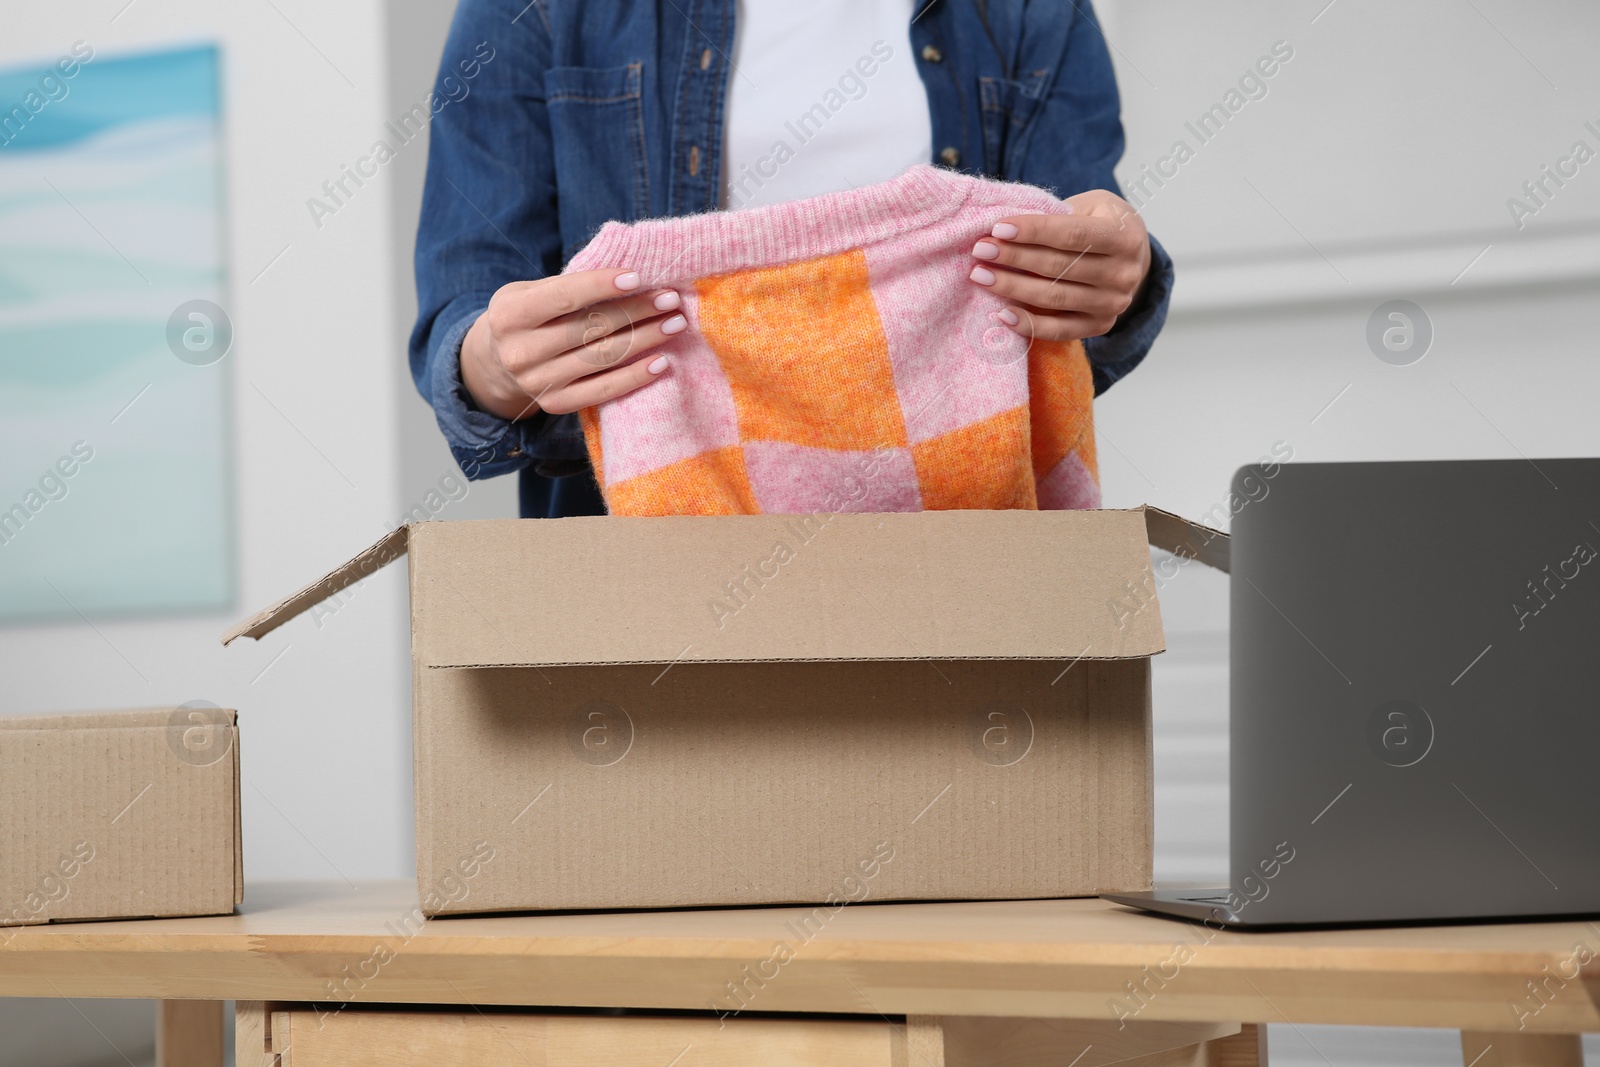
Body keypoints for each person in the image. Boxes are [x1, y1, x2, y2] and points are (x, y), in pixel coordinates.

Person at [411, 0, 1173, 518]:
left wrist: (1115, 281)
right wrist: (498, 366)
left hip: (964, 583)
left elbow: (1083, 288)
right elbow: (465, 325)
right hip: (640, 607)